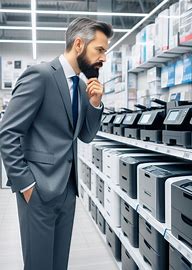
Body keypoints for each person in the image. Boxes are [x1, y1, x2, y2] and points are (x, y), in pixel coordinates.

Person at [0, 17, 113, 270]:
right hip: (38, 189)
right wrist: (26, 184)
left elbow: (85, 135)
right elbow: (8, 132)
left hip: (67, 191)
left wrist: (95, 104)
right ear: (79, 44)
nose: (104, 58)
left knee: (58, 264)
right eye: (100, 49)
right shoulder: (40, 76)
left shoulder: (83, 86)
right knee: (39, 264)